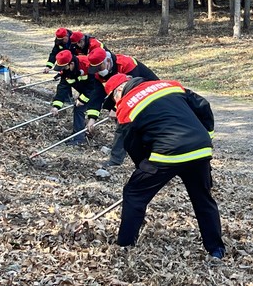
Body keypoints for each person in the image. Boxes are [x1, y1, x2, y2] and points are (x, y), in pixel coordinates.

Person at [103, 73, 225, 260]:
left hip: (167, 154)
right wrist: (207, 136)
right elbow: (203, 105)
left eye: (112, 100)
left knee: (134, 193)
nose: (114, 105)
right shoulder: (169, 85)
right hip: (201, 149)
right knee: (203, 199)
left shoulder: (126, 106)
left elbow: (133, 146)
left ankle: (125, 246)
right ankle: (216, 250)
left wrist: (146, 169)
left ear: (118, 91)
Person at [85, 47, 158, 168]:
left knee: (144, 126)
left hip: (147, 93)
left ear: (107, 61)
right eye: (95, 69)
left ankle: (153, 157)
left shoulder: (126, 64)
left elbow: (133, 88)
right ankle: (116, 160)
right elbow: (97, 95)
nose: (98, 71)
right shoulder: (99, 74)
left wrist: (115, 109)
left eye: (99, 67)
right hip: (126, 97)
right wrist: (92, 118)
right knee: (123, 126)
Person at [51, 50, 95, 145]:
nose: (63, 70)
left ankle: (79, 139)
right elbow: (62, 88)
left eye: (64, 67)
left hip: (98, 90)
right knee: (78, 108)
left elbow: (94, 87)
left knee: (79, 108)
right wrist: (56, 106)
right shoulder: (66, 71)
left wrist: (82, 99)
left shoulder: (87, 65)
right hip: (86, 90)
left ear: (71, 64)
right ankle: (78, 135)